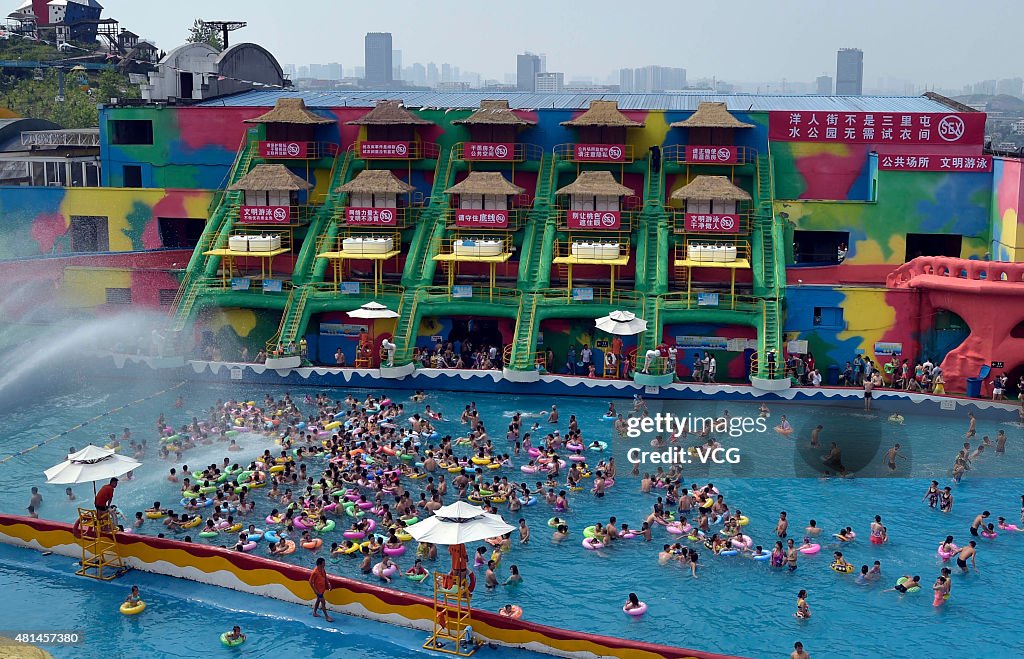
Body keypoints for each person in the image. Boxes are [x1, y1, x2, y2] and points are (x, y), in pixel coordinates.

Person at [309, 557, 334, 622]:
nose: (325, 564)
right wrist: (315, 590)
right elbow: (310, 582)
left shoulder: (322, 569)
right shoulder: (315, 572)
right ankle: (326, 617)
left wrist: (328, 584)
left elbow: (325, 577)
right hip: (318, 590)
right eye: (324, 563)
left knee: (318, 600)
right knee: (323, 601)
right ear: (320, 564)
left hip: (322, 589)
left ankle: (314, 612)